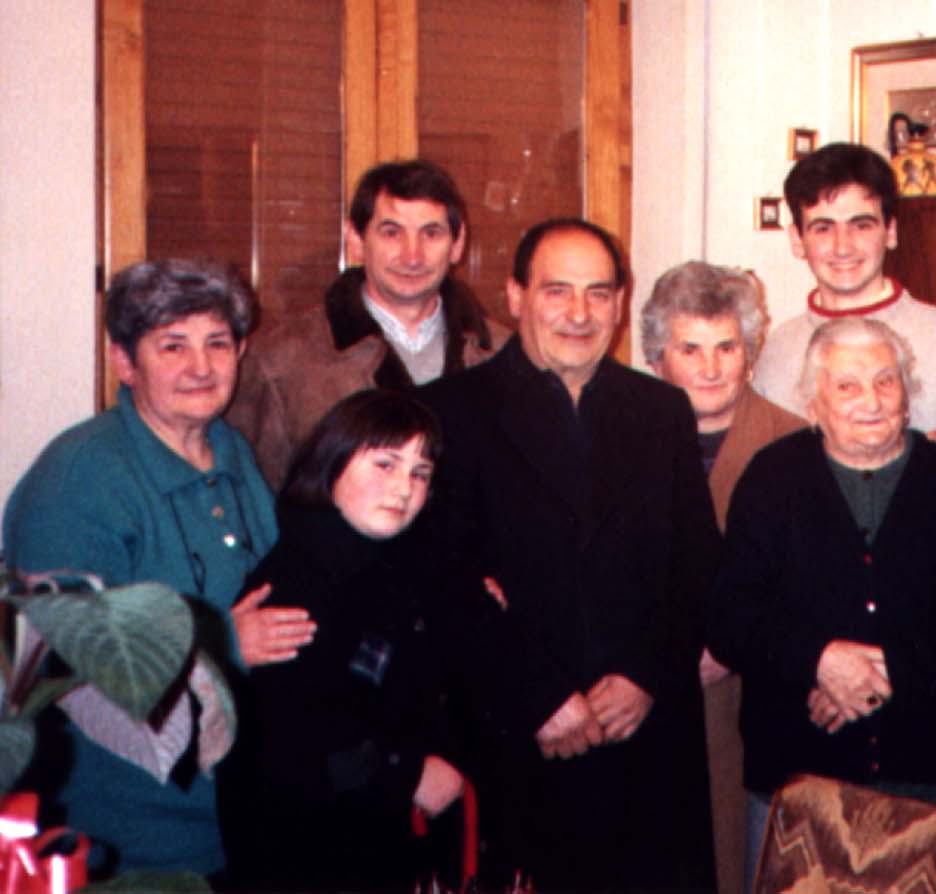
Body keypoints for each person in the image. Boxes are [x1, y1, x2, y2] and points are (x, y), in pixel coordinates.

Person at [419, 218, 720, 892]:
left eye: (598, 292)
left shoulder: (662, 410)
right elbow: (440, 580)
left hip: (644, 740)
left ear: (620, 301)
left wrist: (644, 675)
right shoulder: (449, 414)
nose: (580, 314)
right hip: (514, 744)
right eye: (557, 291)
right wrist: (536, 697)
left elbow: (697, 566)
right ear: (517, 295)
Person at [2, 259, 314, 877]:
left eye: (217, 344)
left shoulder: (229, 448)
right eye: (173, 346)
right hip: (130, 845)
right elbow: (50, 664)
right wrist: (223, 643)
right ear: (124, 361)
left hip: (238, 815)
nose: (201, 367)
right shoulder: (76, 481)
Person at [708, 317, 936, 889]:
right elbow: (732, 616)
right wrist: (820, 662)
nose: (871, 401)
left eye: (886, 382)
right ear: (813, 401)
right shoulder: (771, 478)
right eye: (847, 386)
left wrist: (887, 672)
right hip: (799, 788)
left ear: (908, 395)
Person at [223, 390, 497, 892]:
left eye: (420, 473)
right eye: (385, 465)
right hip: (309, 858)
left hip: (380, 845)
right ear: (331, 466)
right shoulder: (295, 583)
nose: (402, 488)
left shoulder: (397, 563)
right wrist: (407, 773)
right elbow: (293, 743)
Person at [641, 261, 805, 894]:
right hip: (648, 694)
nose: (710, 367)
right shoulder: (628, 437)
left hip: (751, 702)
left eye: (726, 347)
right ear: (659, 358)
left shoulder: (795, 442)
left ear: (750, 354)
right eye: (690, 348)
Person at [229, 158, 510, 489]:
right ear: (356, 239)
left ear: (458, 243)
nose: (412, 256)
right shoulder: (280, 362)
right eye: (391, 233)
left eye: (431, 233)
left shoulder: (506, 357)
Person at [751, 142, 936, 443]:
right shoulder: (777, 352)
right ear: (797, 240)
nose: (843, 247)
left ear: (890, 232)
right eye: (823, 228)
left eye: (861, 226)